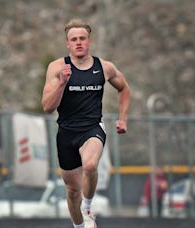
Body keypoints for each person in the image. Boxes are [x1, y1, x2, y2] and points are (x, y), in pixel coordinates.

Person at [41, 18, 131, 228]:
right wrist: (62, 84)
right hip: (66, 133)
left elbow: (124, 88)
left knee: (90, 165)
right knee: (72, 192)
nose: (78, 42)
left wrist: (123, 118)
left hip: (92, 128)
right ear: (68, 44)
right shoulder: (57, 67)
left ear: (89, 41)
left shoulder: (104, 67)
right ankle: (80, 225)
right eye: (74, 39)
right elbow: (47, 107)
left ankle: (88, 208)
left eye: (82, 38)